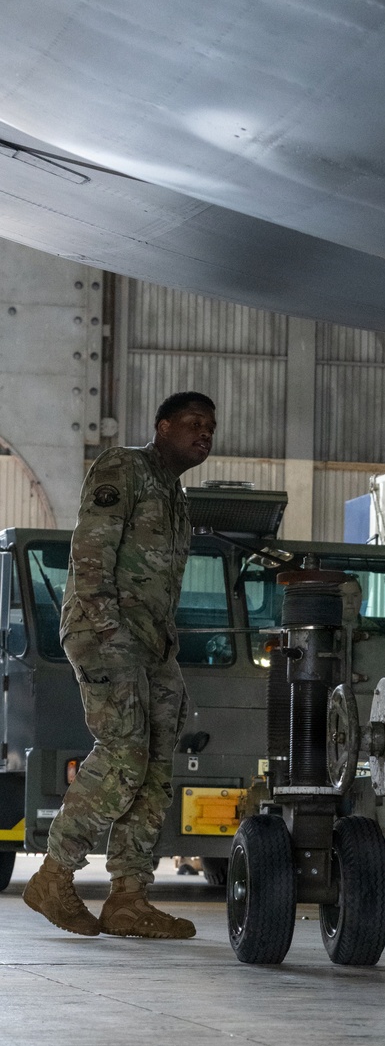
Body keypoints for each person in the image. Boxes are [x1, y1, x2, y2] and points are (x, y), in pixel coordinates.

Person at [23, 392, 217, 939]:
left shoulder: (174, 494)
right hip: (106, 630)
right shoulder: (124, 467)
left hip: (153, 644)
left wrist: (160, 647)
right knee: (125, 754)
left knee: (156, 762)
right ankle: (55, 874)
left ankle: (128, 896)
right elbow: (91, 555)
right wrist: (111, 634)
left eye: (211, 428)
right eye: (193, 423)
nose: (204, 434)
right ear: (162, 426)